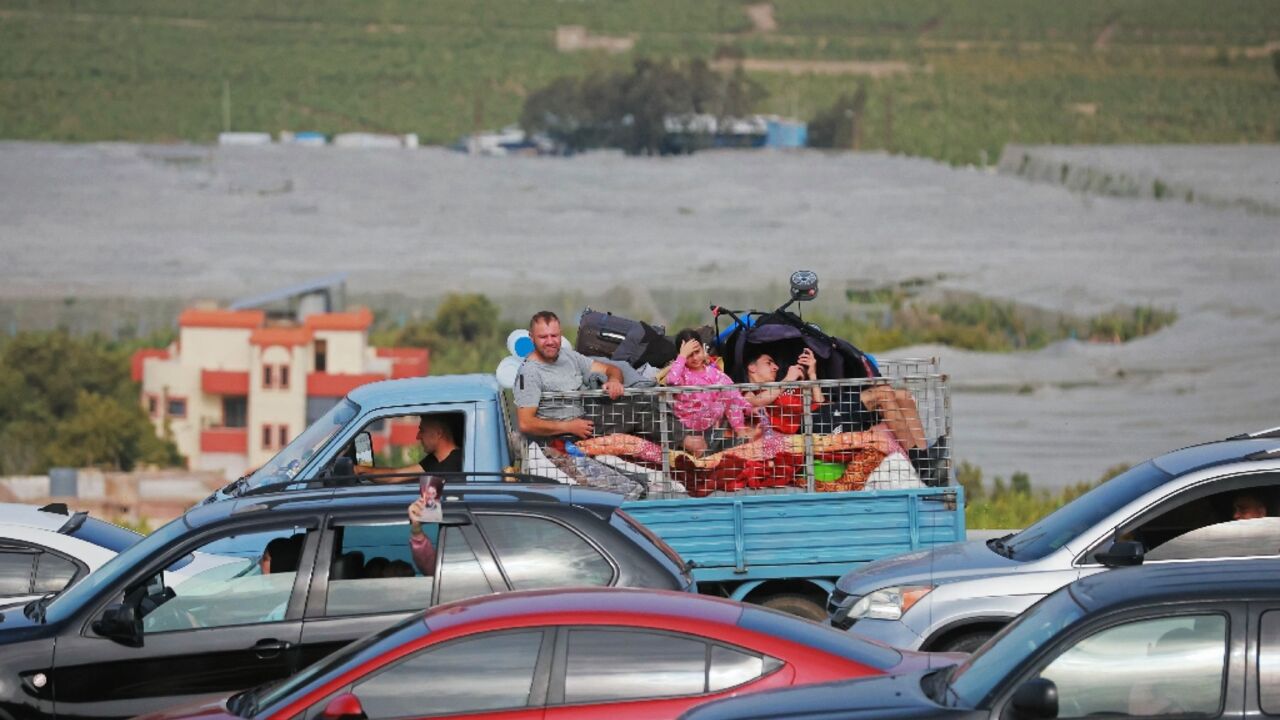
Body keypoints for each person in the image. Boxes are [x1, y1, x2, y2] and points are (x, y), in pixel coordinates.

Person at [743, 348, 926, 450]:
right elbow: (756, 403)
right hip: (811, 426)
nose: (775, 367)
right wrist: (787, 380)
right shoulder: (747, 392)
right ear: (752, 368)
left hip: (825, 415)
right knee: (883, 393)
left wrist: (812, 375)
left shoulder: (783, 388)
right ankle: (920, 463)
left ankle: (926, 458)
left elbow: (820, 403)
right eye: (768, 363)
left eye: (775, 363)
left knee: (902, 395)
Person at [514, 311, 625, 440]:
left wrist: (614, 380)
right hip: (560, 436)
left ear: (561, 334)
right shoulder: (528, 372)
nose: (550, 341)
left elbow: (610, 369)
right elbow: (526, 424)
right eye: (543, 337)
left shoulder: (569, 356)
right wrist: (568, 427)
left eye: (554, 335)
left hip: (585, 424)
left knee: (634, 408)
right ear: (532, 337)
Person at [665, 329, 756, 455]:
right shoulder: (682, 374)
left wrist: (748, 409)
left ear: (703, 349)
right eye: (689, 355)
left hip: (711, 429)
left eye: (697, 352)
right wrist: (682, 356)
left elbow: (733, 396)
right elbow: (671, 381)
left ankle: (740, 436)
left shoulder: (714, 374)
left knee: (727, 393)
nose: (695, 358)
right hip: (687, 432)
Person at [360, 415, 463, 483]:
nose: (418, 437)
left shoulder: (459, 463)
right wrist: (361, 470)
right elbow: (396, 475)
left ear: (438, 433)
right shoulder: (434, 460)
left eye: (422, 431)